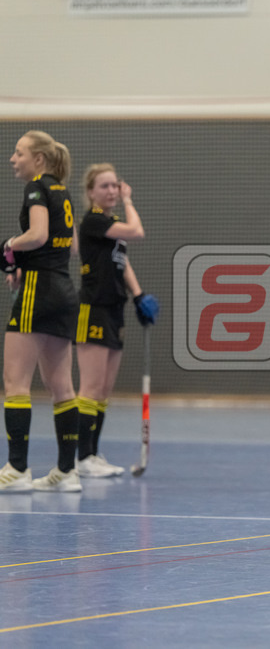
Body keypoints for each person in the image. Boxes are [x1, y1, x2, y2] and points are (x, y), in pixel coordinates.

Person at [0, 131, 81, 492]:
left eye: (19, 153)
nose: (13, 159)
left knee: (15, 383)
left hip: (39, 291)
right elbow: (71, 246)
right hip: (64, 290)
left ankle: (17, 470)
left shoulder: (36, 188)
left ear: (39, 160)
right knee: (61, 386)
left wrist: (8, 247)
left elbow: (37, 235)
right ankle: (67, 473)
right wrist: (24, 262)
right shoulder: (62, 192)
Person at [75, 163, 159, 478]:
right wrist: (129, 200)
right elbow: (137, 231)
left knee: (104, 389)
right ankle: (82, 457)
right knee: (91, 387)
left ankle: (93, 454)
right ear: (91, 192)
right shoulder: (95, 221)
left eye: (115, 185)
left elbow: (122, 262)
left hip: (114, 309)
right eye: (105, 186)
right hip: (93, 309)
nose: (111, 191)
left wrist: (138, 296)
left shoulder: (110, 225)